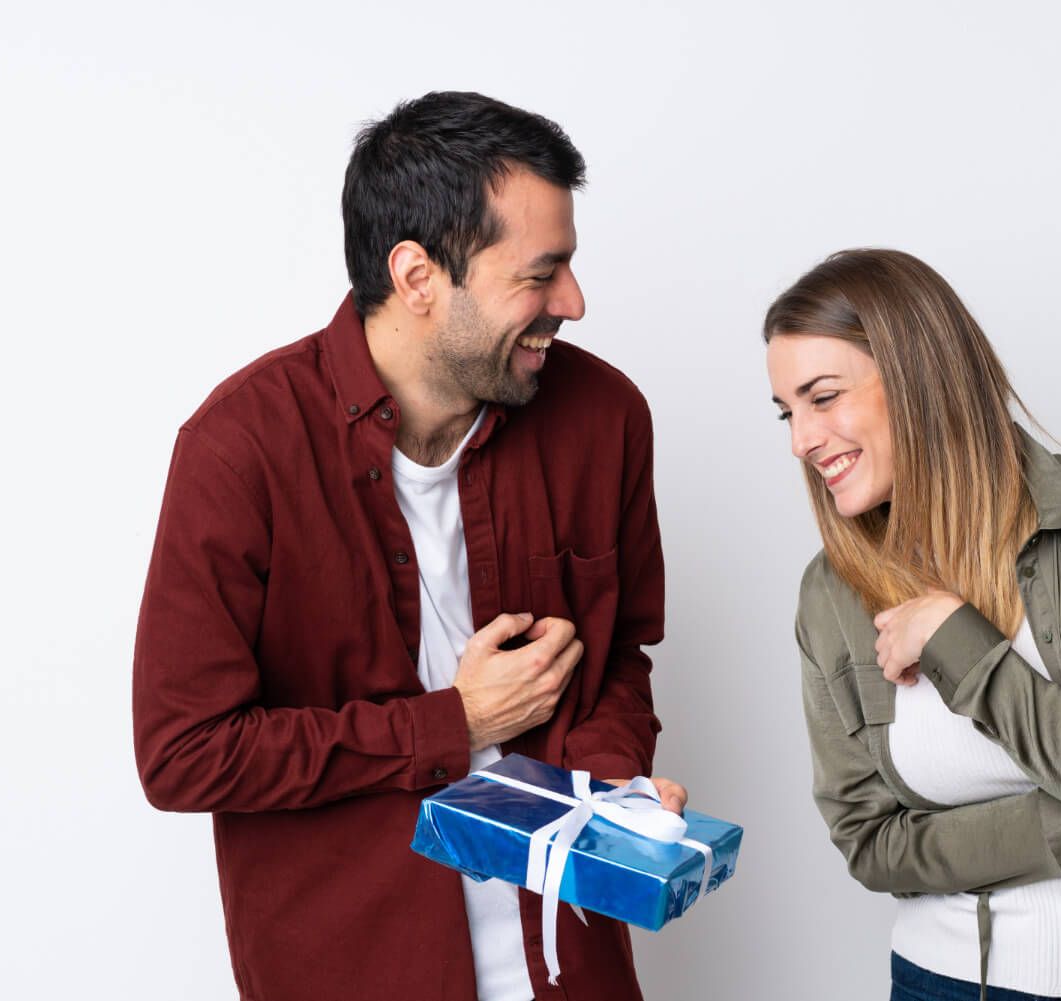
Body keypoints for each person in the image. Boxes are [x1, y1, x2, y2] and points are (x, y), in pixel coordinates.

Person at [133, 91, 685, 1001]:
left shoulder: (606, 418)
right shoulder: (240, 450)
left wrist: (613, 777)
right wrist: (451, 724)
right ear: (418, 275)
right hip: (355, 967)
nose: (574, 303)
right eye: (540, 274)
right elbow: (184, 750)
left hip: (569, 961)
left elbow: (620, 649)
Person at [765, 249, 1061, 1001]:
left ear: (919, 377)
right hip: (946, 982)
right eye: (788, 412)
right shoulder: (830, 594)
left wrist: (955, 633)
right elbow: (872, 843)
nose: (801, 440)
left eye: (823, 397)